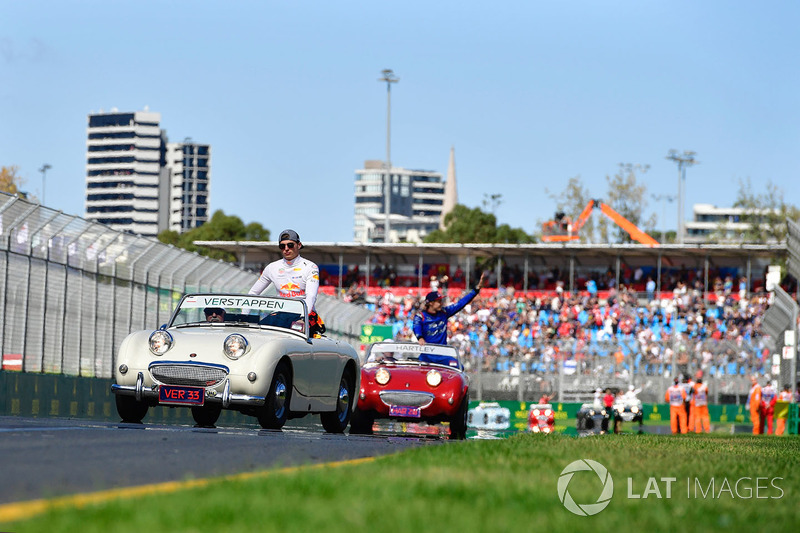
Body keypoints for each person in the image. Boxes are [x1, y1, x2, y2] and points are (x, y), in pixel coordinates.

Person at [248, 229, 325, 336]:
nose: (286, 249)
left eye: (290, 245)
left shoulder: (310, 267)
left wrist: (303, 319)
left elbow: (311, 296)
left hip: (304, 313)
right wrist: (244, 317)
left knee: (296, 332)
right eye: (282, 246)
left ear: (299, 245)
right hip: (281, 313)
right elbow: (253, 293)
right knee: (256, 333)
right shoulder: (272, 268)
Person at [413, 271, 486, 345]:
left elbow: (461, 303)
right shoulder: (420, 316)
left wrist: (477, 289)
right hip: (427, 353)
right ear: (430, 303)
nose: (441, 303)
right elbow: (417, 327)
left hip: (442, 353)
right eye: (438, 301)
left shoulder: (444, 312)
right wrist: (420, 338)